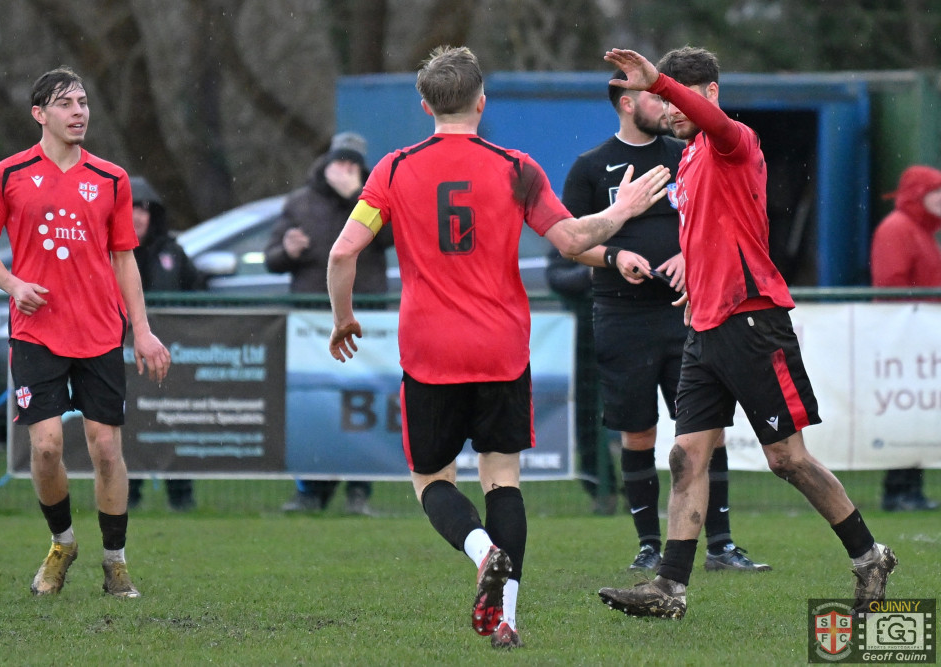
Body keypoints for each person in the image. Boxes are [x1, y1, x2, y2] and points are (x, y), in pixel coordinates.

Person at [326, 45, 671, 649]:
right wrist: (620, 212)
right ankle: (507, 618)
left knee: (432, 479)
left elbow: (341, 252)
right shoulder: (516, 167)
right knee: (502, 479)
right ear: (483, 101)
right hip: (501, 347)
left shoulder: (394, 169)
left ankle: (481, 551)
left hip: (430, 349)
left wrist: (344, 318)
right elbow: (569, 241)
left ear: (424, 103)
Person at [596, 46, 896, 619]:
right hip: (703, 327)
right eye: (662, 101)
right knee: (685, 456)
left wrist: (657, 80)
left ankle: (868, 555)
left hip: (752, 320)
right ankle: (669, 589)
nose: (668, 110)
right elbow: (715, 225)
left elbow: (712, 127)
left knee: (787, 460)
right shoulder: (686, 160)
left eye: (676, 98)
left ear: (709, 93)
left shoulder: (735, 141)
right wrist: (692, 262)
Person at [0, 66, 171, 598]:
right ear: (39, 114)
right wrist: (14, 285)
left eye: (83, 101)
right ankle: (62, 544)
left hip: (100, 333)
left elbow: (125, 260)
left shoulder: (111, 178)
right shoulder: (7, 174)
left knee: (106, 449)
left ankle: (115, 561)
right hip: (36, 333)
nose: (79, 111)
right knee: (46, 449)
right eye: (65, 103)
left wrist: (142, 332)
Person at [562, 70, 769, 572]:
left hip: (686, 314)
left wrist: (686, 254)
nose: (668, 106)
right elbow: (570, 240)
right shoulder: (590, 168)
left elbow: (719, 219)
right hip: (620, 317)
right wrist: (614, 258)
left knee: (704, 431)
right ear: (628, 105)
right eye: (655, 99)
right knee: (637, 434)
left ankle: (720, 544)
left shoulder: (688, 155)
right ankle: (648, 546)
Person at [264, 131, 388, 516]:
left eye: (353, 165)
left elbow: (392, 240)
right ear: (327, 163)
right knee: (312, 404)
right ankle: (309, 492)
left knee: (362, 405)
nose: (345, 170)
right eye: (340, 163)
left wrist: (357, 196)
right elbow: (270, 257)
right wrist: (286, 251)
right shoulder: (300, 202)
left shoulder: (373, 198)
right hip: (311, 322)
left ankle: (358, 493)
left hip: (361, 319)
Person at [126, 176, 202, 512]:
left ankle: (181, 497)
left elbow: (198, 295)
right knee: (127, 426)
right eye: (132, 207)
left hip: (168, 357)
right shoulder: (108, 252)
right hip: (122, 357)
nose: (139, 216)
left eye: (146, 209)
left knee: (172, 423)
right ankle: (127, 497)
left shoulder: (171, 252)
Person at [870, 165, 941, 512]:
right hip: (905, 340)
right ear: (917, 194)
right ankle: (899, 490)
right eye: (935, 190)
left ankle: (909, 487)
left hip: (919, 339)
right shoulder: (899, 228)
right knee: (904, 412)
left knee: (915, 411)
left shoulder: (919, 230)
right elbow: (892, 284)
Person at [544, 249, 619, 515]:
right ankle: (601, 488)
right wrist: (594, 270)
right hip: (584, 336)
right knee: (586, 415)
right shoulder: (574, 219)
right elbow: (556, 275)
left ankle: (641, 492)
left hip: (630, 328)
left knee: (638, 417)